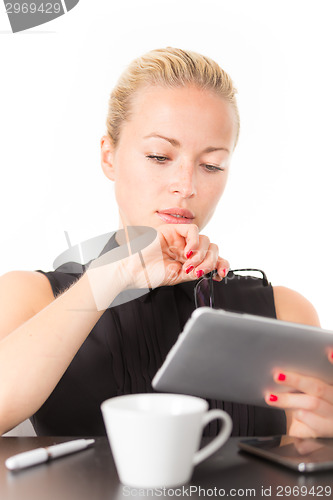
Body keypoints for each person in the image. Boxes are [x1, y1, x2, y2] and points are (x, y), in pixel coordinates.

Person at [0, 47, 332, 439]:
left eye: (211, 165)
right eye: (160, 156)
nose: (187, 186)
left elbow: (303, 477)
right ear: (109, 156)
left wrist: (320, 443)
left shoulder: (285, 312)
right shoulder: (30, 298)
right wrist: (114, 276)